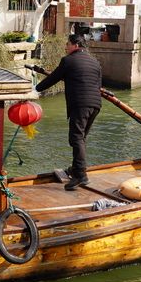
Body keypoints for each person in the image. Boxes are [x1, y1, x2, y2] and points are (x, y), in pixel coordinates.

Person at [34, 33, 102, 190]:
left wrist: (36, 89)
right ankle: (76, 169)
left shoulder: (68, 61)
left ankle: (80, 175)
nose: (65, 47)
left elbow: (54, 78)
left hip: (80, 104)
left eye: (67, 44)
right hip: (95, 104)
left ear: (75, 45)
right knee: (81, 138)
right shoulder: (95, 62)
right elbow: (98, 84)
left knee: (76, 138)